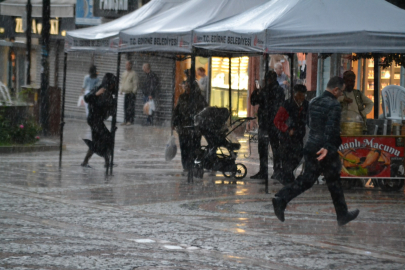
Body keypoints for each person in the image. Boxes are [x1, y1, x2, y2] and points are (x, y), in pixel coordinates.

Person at [272, 76, 360, 226]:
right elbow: (331, 129)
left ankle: (281, 198)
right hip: (324, 149)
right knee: (333, 181)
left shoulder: (313, 102)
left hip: (312, 146)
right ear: (335, 89)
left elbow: (310, 123)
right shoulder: (334, 105)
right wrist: (327, 147)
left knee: (309, 179)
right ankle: (342, 214)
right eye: (341, 92)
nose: (342, 95)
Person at [250, 70, 285, 180]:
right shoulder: (272, 90)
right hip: (269, 123)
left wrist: (257, 93)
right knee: (272, 148)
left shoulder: (271, 90)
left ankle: (268, 170)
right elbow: (254, 101)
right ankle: (274, 170)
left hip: (269, 123)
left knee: (268, 148)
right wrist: (256, 92)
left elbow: (255, 101)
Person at [274, 84, 309, 184]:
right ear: (294, 94)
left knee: (298, 155)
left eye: (303, 95)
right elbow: (277, 121)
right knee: (287, 157)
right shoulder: (287, 105)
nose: (301, 98)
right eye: (299, 95)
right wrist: (287, 129)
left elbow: (309, 119)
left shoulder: (306, 105)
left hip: (299, 135)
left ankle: (286, 175)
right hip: (286, 137)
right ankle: (287, 177)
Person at [81, 73, 116, 168]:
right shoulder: (100, 89)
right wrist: (96, 95)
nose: (113, 86)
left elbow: (109, 110)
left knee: (97, 142)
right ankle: (107, 161)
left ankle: (86, 162)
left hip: (97, 120)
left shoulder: (108, 92)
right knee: (107, 138)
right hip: (94, 120)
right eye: (112, 84)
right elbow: (87, 98)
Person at [173, 80, 208, 172]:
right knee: (184, 148)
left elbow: (204, 112)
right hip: (183, 128)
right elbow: (177, 111)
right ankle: (186, 166)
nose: (186, 88)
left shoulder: (199, 98)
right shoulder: (182, 97)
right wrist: (174, 123)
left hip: (195, 128)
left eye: (188, 87)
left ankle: (194, 165)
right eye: (185, 86)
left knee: (195, 148)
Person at [120, 60, 139, 126]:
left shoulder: (133, 73)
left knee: (131, 107)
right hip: (126, 93)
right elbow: (122, 82)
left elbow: (135, 83)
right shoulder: (124, 73)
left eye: (128, 65)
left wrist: (134, 92)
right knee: (125, 107)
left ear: (131, 65)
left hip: (131, 93)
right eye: (126, 65)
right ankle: (126, 120)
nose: (127, 66)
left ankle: (130, 120)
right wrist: (121, 90)